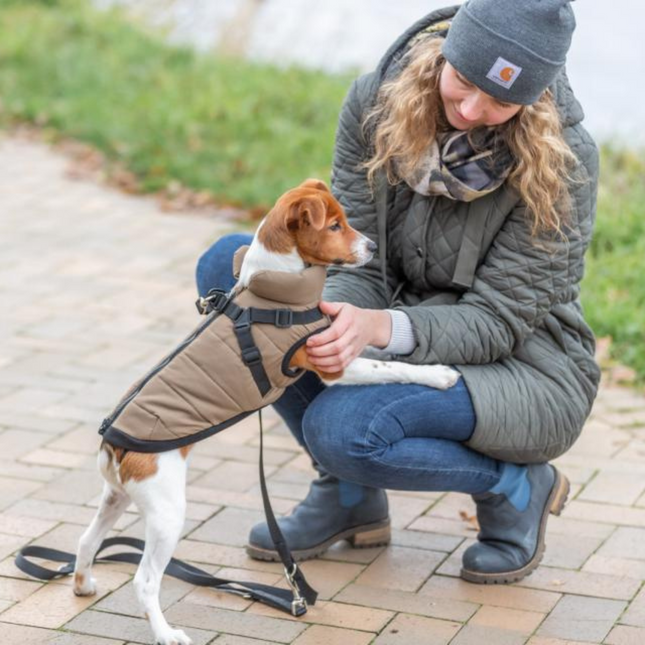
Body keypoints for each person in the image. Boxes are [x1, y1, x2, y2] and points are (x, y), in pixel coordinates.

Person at [195, 0, 600, 585]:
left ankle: (516, 485)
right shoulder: (375, 102)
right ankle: (350, 499)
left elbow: (499, 318)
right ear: (448, 52)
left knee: (343, 430)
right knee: (230, 270)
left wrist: (379, 329)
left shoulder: (565, 158)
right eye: (462, 83)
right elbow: (360, 259)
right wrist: (344, 313)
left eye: (501, 102)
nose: (471, 111)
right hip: (398, 312)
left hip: (523, 361)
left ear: (532, 98)